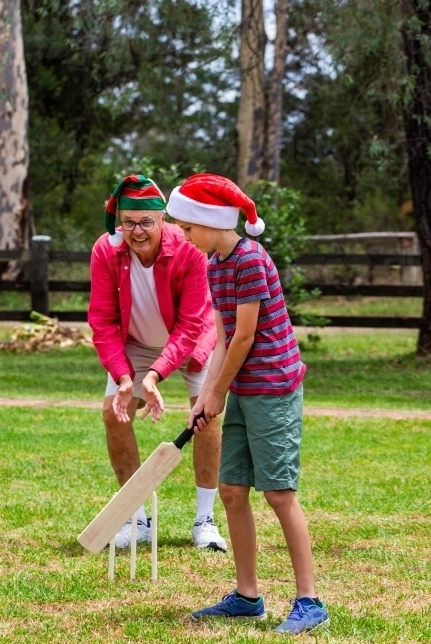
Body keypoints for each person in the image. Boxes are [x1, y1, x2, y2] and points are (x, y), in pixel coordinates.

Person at [165, 173, 329, 635]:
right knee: (233, 490)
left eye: (187, 227)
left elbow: (245, 335)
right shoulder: (215, 262)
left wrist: (217, 391)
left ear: (210, 221)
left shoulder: (250, 260)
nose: (183, 236)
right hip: (240, 386)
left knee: (278, 493)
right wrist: (206, 395)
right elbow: (220, 337)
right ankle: (247, 596)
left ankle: (310, 600)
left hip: (273, 388)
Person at [88, 175, 226, 551]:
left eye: (146, 222)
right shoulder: (106, 250)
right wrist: (123, 376)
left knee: (207, 416)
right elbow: (102, 321)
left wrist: (155, 375)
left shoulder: (188, 249)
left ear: (162, 219)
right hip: (135, 343)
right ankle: (136, 518)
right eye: (128, 222)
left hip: (191, 340)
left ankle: (205, 519)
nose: (136, 231)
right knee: (112, 412)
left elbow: (191, 324)